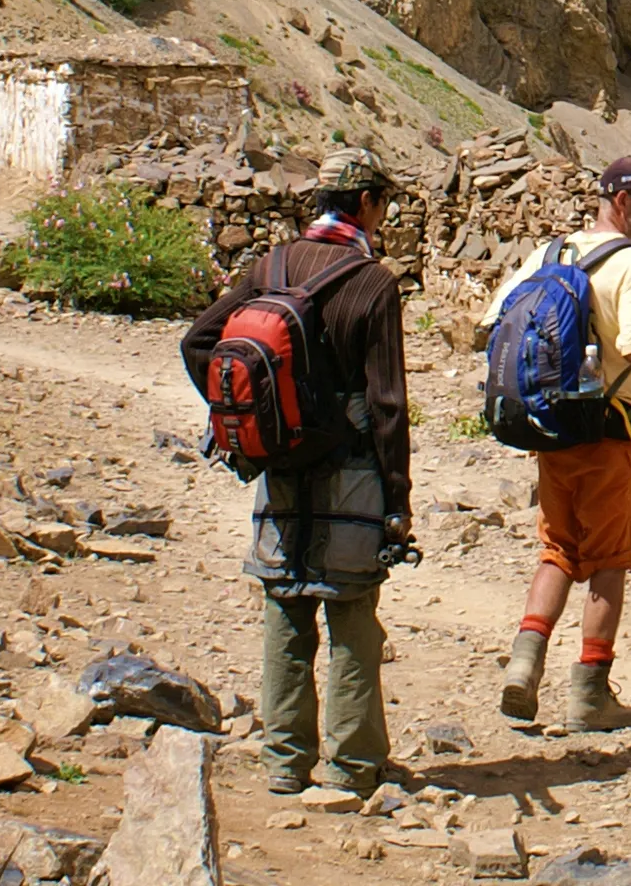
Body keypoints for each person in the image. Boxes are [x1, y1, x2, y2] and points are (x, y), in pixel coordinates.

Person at [180, 146, 413, 796]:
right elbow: (388, 405)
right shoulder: (372, 283)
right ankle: (351, 767)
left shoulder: (270, 266)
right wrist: (398, 501)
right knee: (350, 613)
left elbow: (197, 343)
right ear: (366, 204)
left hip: (276, 469)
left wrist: (254, 421)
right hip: (352, 475)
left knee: (285, 607)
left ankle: (284, 764)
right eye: (383, 204)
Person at [484, 156, 631, 730]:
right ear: (621, 202)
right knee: (609, 559)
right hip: (613, 426)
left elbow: (494, 318)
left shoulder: (549, 254)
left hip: (552, 428)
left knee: (558, 548)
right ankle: (590, 693)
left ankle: (524, 666)